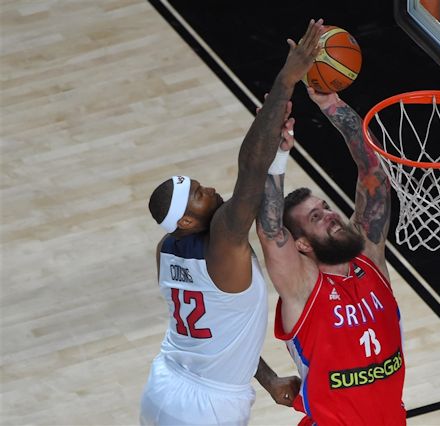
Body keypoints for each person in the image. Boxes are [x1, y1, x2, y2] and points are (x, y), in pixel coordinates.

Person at [139, 19, 325, 426]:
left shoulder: (166, 249)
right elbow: (250, 171)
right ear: (186, 218)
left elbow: (222, 332)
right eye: (200, 194)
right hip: (207, 407)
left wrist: (270, 380)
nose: (210, 191)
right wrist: (286, 81)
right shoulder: (223, 243)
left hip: (163, 384)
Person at [256, 86, 406, 425]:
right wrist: (275, 155)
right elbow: (270, 230)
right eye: (316, 218)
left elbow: (374, 174)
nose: (330, 215)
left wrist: (333, 105)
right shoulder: (303, 286)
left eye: (325, 207)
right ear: (301, 244)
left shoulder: (367, 257)